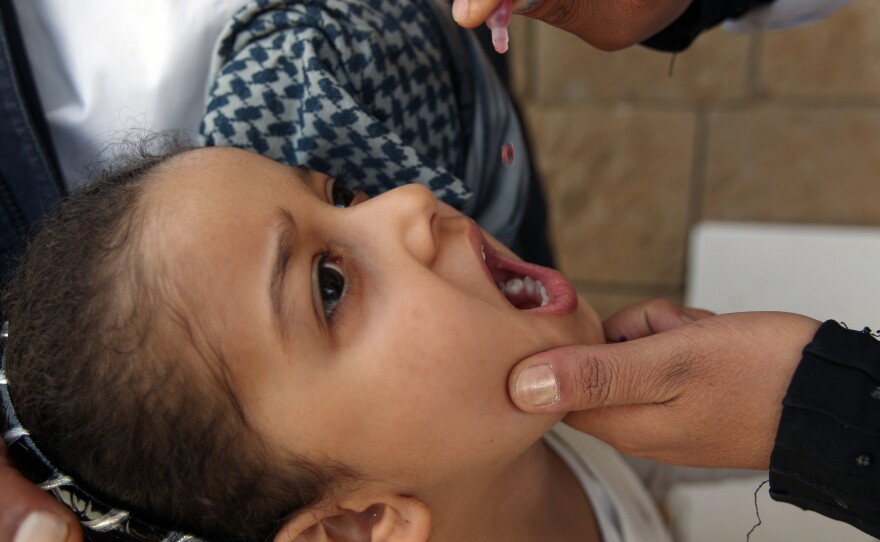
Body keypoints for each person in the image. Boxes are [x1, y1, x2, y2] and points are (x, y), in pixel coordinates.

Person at [2, 143, 679, 542]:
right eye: (329, 286)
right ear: (353, 528)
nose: (410, 201)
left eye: (340, 195)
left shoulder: (516, 438)